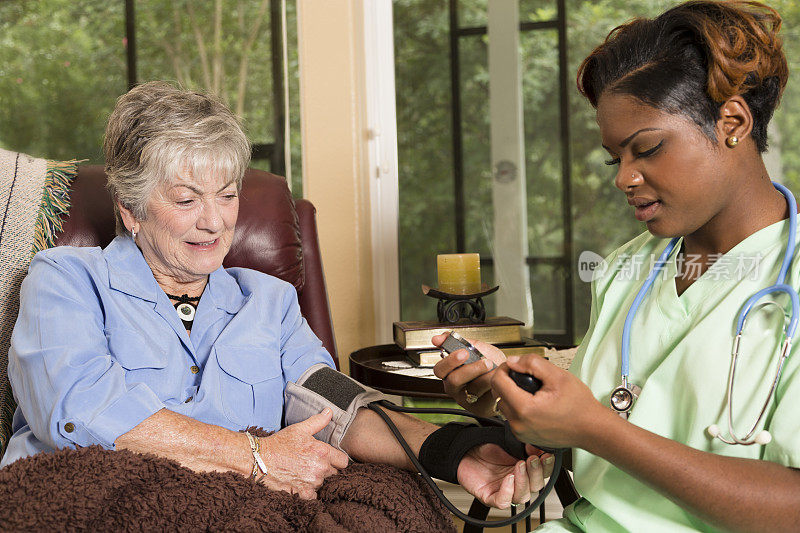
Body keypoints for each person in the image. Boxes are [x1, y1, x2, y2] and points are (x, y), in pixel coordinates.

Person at [0, 81, 549, 509]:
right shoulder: (67, 279)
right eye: (187, 199)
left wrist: (455, 455)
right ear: (130, 209)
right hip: (96, 499)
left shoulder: (270, 299)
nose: (215, 222)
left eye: (228, 194)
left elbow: (331, 404)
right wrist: (254, 456)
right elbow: (78, 408)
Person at [433, 1, 800, 530]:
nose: (623, 178)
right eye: (615, 158)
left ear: (733, 122)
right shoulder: (629, 267)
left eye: (646, 149)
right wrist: (514, 403)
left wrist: (596, 429)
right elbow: (599, 438)